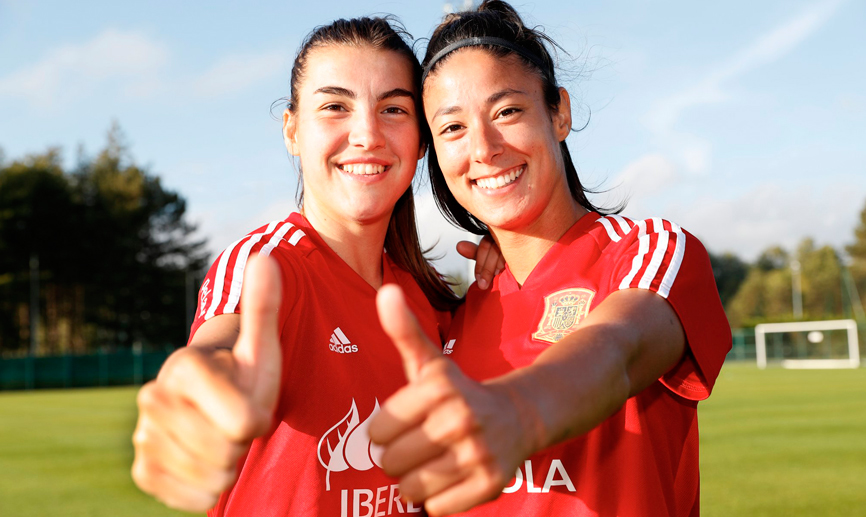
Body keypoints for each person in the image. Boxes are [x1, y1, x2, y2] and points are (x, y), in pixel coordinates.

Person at [369, 2, 732, 516]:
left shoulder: (647, 251)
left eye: (507, 111)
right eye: (452, 128)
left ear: (558, 112)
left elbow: (617, 349)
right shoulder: (448, 321)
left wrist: (516, 412)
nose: (485, 148)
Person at [131, 16, 501, 516]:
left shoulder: (425, 300)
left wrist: (507, 259)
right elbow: (216, 351)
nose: (367, 134)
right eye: (334, 107)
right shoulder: (268, 264)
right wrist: (197, 387)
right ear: (292, 130)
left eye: (393, 108)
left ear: (420, 140)